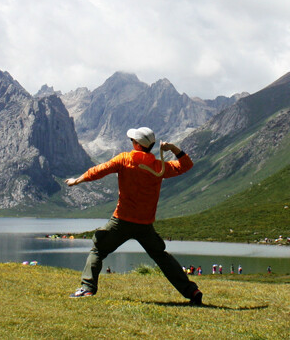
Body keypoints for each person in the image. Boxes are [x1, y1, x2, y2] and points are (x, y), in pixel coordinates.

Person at [65, 127, 203, 306]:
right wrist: (174, 149)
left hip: (121, 221)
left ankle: (87, 288)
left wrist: (77, 180)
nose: (131, 143)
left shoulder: (125, 159)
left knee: (98, 249)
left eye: (132, 140)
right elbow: (186, 165)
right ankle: (192, 291)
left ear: (137, 144)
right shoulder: (158, 167)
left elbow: (99, 170)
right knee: (162, 257)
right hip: (145, 224)